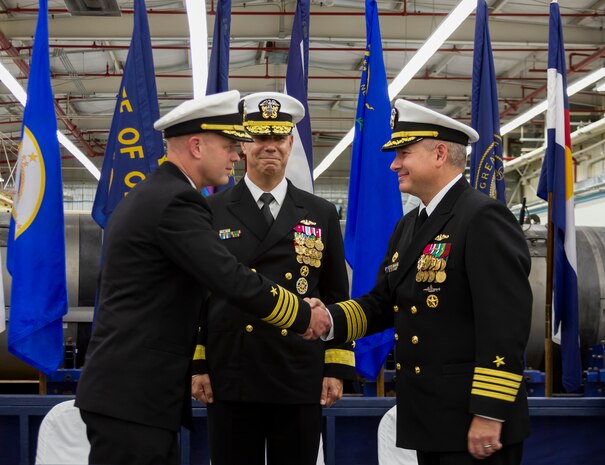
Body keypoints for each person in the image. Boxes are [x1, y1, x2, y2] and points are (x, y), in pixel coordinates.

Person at [75, 90, 331, 465]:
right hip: (134, 392)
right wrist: (305, 317)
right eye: (229, 144)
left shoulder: (156, 193)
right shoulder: (177, 201)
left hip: (135, 390)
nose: (235, 154)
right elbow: (230, 278)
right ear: (196, 145)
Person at [311, 99, 533, 465]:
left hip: (472, 421)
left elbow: (504, 325)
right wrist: (328, 319)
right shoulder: (409, 225)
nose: (394, 163)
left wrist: (489, 412)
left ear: (440, 153)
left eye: (404, 153)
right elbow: (383, 303)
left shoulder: (482, 217)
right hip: (430, 418)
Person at [191, 92, 356, 465]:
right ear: (243, 145)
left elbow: (335, 295)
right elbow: (197, 296)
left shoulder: (320, 212)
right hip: (231, 370)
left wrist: (336, 366)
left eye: (278, 138)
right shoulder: (210, 210)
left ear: (291, 143)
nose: (269, 146)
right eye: (259, 137)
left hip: (298, 371)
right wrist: (198, 363)